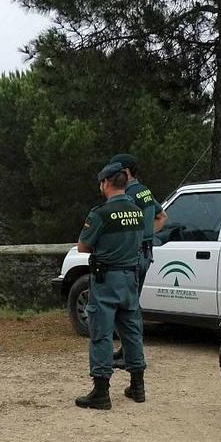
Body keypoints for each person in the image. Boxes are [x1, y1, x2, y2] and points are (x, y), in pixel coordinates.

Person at [75, 162, 147, 410]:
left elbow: (83, 246)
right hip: (130, 278)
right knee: (132, 332)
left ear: (105, 183)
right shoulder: (137, 211)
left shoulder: (101, 213)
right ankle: (138, 386)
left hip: (106, 280)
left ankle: (101, 391)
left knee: (101, 333)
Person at [107, 154, 167, 369]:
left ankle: (131, 356)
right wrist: (146, 236)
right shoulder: (144, 190)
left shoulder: (129, 194)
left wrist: (132, 240)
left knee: (128, 308)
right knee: (131, 305)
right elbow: (162, 216)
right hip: (146, 253)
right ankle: (126, 351)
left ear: (124, 171)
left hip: (132, 256)